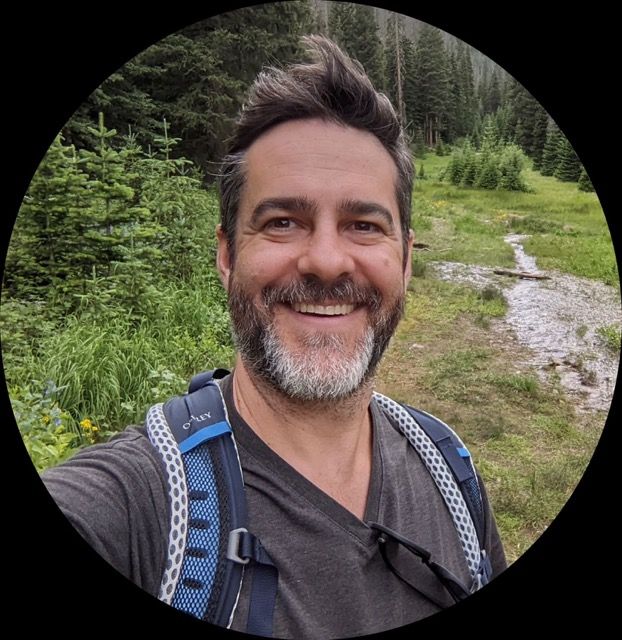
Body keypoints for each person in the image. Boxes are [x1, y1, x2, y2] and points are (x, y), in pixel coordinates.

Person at [42, 35, 506, 638]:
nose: (327, 262)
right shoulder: (140, 509)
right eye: (283, 222)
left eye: (364, 225)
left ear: (406, 260)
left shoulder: (449, 469)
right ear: (227, 255)